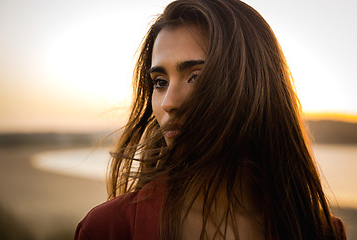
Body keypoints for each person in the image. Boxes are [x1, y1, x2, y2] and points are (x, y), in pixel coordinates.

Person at [74, 0, 347, 239]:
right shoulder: (107, 230)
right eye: (160, 82)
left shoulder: (318, 232)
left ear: (254, 86)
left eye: (196, 77)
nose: (169, 102)